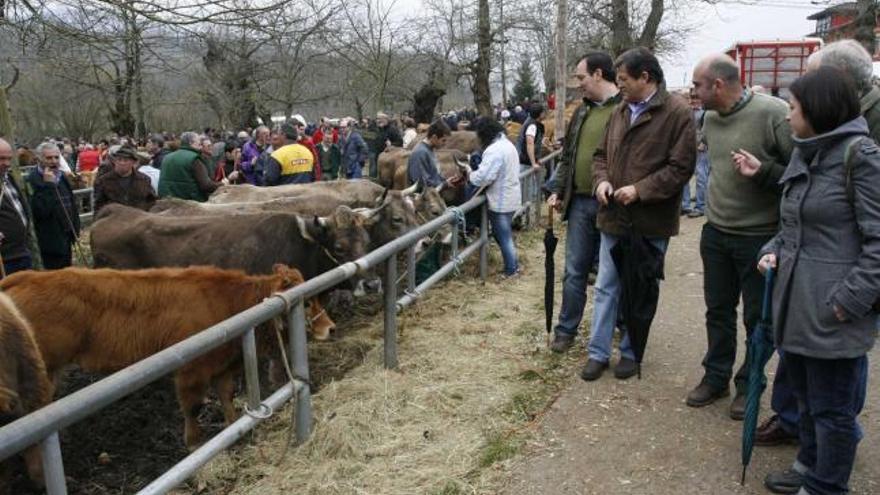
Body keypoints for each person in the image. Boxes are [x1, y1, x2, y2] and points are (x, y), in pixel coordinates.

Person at [753, 65, 880, 495]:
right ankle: (809, 465)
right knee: (806, 400)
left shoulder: (859, 157)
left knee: (833, 410)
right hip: (796, 305)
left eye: (793, 107)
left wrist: (849, 301)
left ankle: (828, 486)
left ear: (818, 110)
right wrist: (772, 249)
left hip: (833, 311)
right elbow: (793, 226)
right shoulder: (806, 152)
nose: (787, 116)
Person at [684, 54, 793, 419]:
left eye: (697, 85)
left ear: (717, 84)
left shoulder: (773, 113)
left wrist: (764, 171)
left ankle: (749, 385)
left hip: (759, 237)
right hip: (716, 232)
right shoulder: (709, 118)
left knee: (757, 319)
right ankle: (715, 377)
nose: (692, 91)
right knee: (717, 311)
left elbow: (801, 176)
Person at [582, 47, 696, 381]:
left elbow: (681, 167)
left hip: (650, 221)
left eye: (623, 80)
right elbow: (601, 155)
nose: (620, 87)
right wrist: (602, 182)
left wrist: (640, 190)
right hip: (613, 215)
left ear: (645, 77)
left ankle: (632, 351)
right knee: (606, 286)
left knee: (641, 287)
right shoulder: (619, 111)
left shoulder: (677, 113)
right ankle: (598, 352)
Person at [546, 51, 621, 353]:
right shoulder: (582, 112)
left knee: (611, 272)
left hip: (612, 204)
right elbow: (568, 156)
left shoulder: (625, 110)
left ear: (599, 74)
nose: (579, 85)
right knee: (574, 270)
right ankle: (566, 330)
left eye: (581, 78)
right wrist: (557, 188)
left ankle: (618, 326)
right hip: (578, 202)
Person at [468, 118, 521, 277]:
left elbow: (485, 177)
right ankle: (514, 266)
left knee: (503, 237)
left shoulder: (495, 150)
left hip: (500, 200)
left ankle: (511, 271)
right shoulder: (508, 145)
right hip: (510, 196)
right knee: (504, 236)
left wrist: (470, 175)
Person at [27, 142, 80, 269]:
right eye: (49, 158)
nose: (54, 161)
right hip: (50, 242)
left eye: (57, 157)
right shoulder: (33, 180)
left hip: (67, 236)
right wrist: (48, 185)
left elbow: (71, 203)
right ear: (39, 158)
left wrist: (75, 228)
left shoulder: (62, 177)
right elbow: (40, 211)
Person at [158, 131, 226, 202]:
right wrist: (222, 184)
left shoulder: (167, 157)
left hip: (167, 201)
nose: (200, 143)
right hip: (189, 204)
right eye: (198, 141)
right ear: (190, 143)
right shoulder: (194, 158)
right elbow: (206, 185)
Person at [0, 138, 32, 276]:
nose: (6, 163)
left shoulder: (9, 179)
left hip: (21, 253)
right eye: (1, 159)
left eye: (9, 159)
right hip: (4, 259)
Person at [93, 145, 157, 213]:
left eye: (126, 160)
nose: (122, 163)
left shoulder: (144, 180)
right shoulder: (103, 181)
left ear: (133, 162)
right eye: (119, 159)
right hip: (114, 220)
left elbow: (152, 202)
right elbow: (98, 207)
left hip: (139, 219)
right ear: (114, 161)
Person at [680, 90, 710, 218]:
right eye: (691, 97)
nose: (693, 100)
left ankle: (700, 206)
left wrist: (704, 142)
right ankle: (685, 205)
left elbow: (708, 129)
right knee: (684, 177)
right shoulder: (687, 112)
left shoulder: (706, 113)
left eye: (696, 97)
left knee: (701, 178)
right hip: (687, 147)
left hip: (700, 148)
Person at [407, 120, 459, 188]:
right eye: (443, 140)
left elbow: (433, 176)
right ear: (434, 137)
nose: (445, 144)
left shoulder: (429, 150)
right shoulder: (420, 153)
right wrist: (444, 184)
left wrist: (445, 181)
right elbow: (420, 183)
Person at [367, 112, 402, 178]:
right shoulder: (376, 128)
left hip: (388, 158)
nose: (378, 121)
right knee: (374, 174)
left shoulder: (392, 129)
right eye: (377, 119)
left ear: (386, 119)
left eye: (380, 119)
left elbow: (400, 142)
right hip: (376, 155)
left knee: (385, 177)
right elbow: (370, 138)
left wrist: (391, 144)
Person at [516, 104, 547, 171]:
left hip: (526, 161)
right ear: (540, 114)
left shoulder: (532, 122)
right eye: (543, 112)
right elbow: (530, 143)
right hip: (525, 162)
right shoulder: (532, 125)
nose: (545, 114)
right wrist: (533, 163)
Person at [291, 114, 323, 181]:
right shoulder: (286, 143)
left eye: (299, 129)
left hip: (307, 175)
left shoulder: (308, 143)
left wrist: (317, 178)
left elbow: (315, 161)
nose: (297, 131)